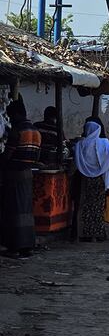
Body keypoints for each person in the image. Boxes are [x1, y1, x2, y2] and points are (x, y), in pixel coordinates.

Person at [0, 99, 40, 258]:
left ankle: (14, 247)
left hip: (14, 175)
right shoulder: (36, 131)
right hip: (28, 175)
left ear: (16, 114)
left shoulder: (17, 131)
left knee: (12, 210)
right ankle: (27, 246)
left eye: (10, 115)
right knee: (25, 211)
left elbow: (8, 155)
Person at [74, 117, 109, 243]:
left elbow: (76, 161)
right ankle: (97, 234)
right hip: (99, 180)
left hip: (84, 179)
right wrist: (104, 164)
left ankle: (83, 234)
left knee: (84, 207)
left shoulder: (80, 144)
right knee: (98, 208)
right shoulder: (104, 144)